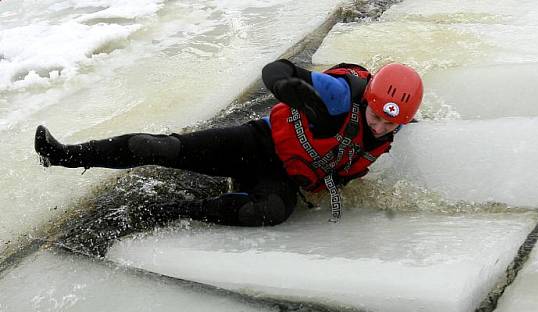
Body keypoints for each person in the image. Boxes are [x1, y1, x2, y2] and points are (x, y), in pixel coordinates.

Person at [34, 59, 424, 226]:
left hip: (284, 180)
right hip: (258, 142)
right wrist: (286, 87)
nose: (379, 128)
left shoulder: (393, 125)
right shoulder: (339, 96)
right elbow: (278, 70)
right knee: (158, 149)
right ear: (367, 99)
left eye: (391, 125)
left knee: (268, 212)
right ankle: (63, 154)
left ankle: (168, 211)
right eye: (375, 116)